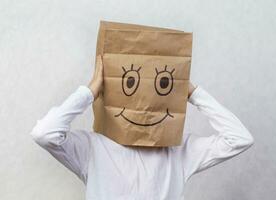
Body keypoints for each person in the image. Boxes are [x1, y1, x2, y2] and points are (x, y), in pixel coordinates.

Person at [30, 57, 254, 200]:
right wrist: (89, 91)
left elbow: (239, 138)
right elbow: (44, 133)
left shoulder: (177, 151)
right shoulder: (92, 148)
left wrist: (191, 92)